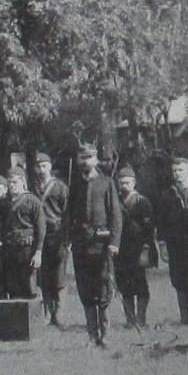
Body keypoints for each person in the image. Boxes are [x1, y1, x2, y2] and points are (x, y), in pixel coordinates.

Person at [67, 145, 123, 347]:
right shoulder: (74, 185)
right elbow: (68, 216)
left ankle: (106, 334)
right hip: (81, 244)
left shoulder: (107, 183)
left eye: (89, 157)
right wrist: (68, 240)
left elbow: (116, 216)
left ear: (96, 159)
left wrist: (114, 243)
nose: (85, 162)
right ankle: (92, 336)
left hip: (102, 244)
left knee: (104, 288)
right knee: (85, 289)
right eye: (82, 158)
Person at [155, 155, 188, 323]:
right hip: (174, 244)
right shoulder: (167, 195)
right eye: (174, 171)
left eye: (180, 170)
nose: (177, 174)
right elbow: (161, 222)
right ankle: (184, 316)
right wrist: (163, 245)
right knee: (178, 279)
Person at [115, 164, 158, 331]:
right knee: (124, 285)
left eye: (127, 182)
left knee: (140, 285)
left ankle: (141, 319)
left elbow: (149, 229)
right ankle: (129, 319)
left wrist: (146, 250)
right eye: (121, 182)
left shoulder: (142, 202)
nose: (124, 186)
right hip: (121, 250)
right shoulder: (116, 201)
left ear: (134, 183)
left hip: (139, 249)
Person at [33, 152, 70, 326]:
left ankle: (59, 313)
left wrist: (67, 237)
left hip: (58, 235)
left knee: (59, 276)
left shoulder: (60, 187)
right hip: (40, 236)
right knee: (43, 276)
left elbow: (67, 213)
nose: (41, 170)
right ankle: (48, 313)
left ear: (50, 167)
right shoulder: (33, 188)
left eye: (44, 166)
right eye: (38, 166)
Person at [0, 167, 46, 300]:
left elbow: (40, 228)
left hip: (27, 250)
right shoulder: (4, 204)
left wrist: (38, 252)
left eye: (15, 182)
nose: (12, 185)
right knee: (13, 287)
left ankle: (33, 319)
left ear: (23, 182)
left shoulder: (33, 201)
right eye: (9, 183)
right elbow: (1, 228)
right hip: (10, 250)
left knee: (29, 287)